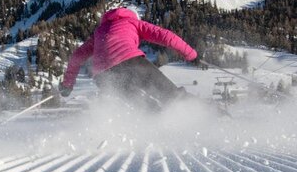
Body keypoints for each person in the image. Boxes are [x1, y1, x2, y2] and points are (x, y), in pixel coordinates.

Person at [59, 7, 197, 110]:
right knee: (170, 94)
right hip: (131, 63)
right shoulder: (133, 22)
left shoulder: (99, 31)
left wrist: (67, 85)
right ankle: (202, 112)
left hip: (103, 77)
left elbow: (77, 56)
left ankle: (157, 127)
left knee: (143, 106)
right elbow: (165, 36)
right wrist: (190, 54)